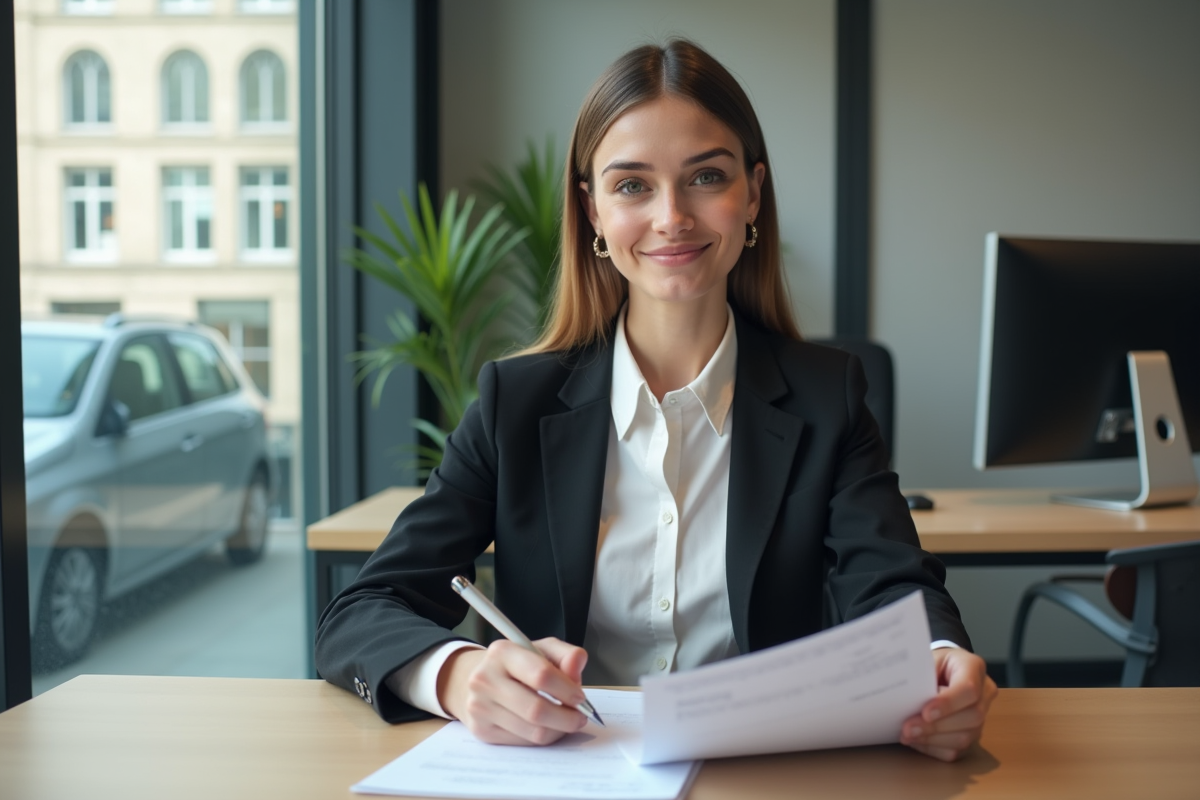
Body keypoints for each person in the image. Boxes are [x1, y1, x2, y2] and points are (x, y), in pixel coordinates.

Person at [316, 38, 997, 763]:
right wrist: (456, 675)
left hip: (762, 774)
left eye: (706, 176)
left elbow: (892, 584)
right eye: (633, 185)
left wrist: (938, 657)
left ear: (753, 194)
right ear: (593, 212)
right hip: (563, 773)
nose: (672, 216)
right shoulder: (514, 403)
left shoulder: (828, 397)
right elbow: (360, 614)